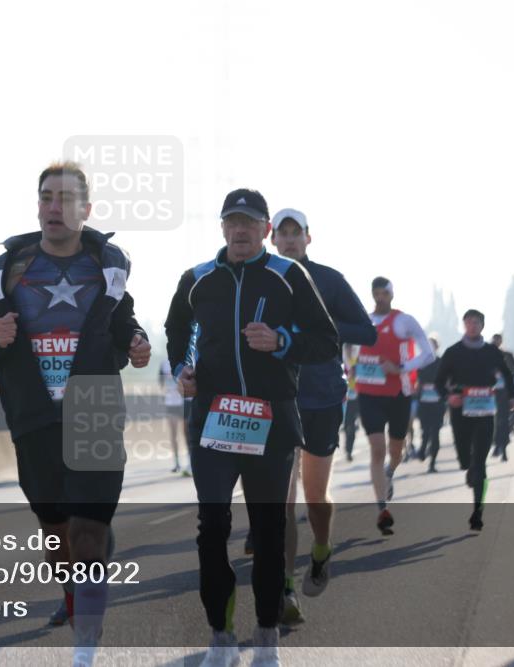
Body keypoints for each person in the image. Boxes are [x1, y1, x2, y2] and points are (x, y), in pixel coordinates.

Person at [0, 161, 150, 663]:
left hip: (94, 410)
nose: (54, 207)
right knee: (57, 532)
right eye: (47, 197)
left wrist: (136, 342)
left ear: (86, 210)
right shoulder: (4, 273)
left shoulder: (105, 268)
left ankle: (85, 645)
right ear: (37, 205)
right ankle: (72, 595)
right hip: (34, 417)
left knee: (88, 529)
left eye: (66, 199)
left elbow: (124, 322)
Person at [166, 189, 338, 666]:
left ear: (265, 230)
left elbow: (325, 340)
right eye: (232, 222)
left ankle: (266, 638)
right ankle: (220, 638)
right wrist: (184, 369)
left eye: (250, 223)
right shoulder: (197, 280)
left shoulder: (288, 276)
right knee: (212, 527)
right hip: (213, 421)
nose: (240, 231)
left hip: (271, 424)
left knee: (267, 529)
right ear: (222, 228)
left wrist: (281, 341)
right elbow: (177, 330)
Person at [267, 208, 376, 625]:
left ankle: (322, 547)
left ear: (309, 239)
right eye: (284, 233)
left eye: (298, 233)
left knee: (315, 497)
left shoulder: (329, 280)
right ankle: (286, 590)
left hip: (323, 398)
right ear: (272, 238)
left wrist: (316, 328)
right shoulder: (262, 280)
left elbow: (365, 332)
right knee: (282, 502)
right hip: (277, 399)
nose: (291, 240)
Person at [354, 277, 434, 535]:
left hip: (398, 393)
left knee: (395, 451)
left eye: (384, 293)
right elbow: (347, 348)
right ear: (371, 294)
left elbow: (427, 354)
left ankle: (390, 471)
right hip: (368, 394)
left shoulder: (404, 321)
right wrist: (350, 367)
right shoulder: (363, 322)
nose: (380, 298)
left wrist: (401, 367)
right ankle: (382, 509)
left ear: (391, 294)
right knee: (377, 448)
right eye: (376, 293)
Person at [435, 310, 514, 530]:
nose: (472, 326)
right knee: (466, 459)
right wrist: (448, 396)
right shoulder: (453, 352)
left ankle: (477, 512)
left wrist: (512, 397)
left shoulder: (492, 352)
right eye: (469, 322)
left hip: (485, 409)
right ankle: (470, 468)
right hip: (460, 408)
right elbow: (439, 381)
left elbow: (508, 374)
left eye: (476, 322)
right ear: (464, 325)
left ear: (482, 326)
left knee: (480, 461)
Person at [414, 336, 446, 473]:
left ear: (437, 347)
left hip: (438, 403)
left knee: (436, 432)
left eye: (433, 345)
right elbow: (416, 380)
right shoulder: (421, 363)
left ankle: (432, 462)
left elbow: (447, 380)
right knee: (425, 431)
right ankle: (422, 449)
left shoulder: (442, 362)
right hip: (424, 402)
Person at [490, 333, 514, 460]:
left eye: (498, 341)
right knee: (494, 421)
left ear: (501, 342)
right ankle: (497, 445)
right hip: (490, 393)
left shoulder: (508, 355)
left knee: (503, 420)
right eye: (494, 341)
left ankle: (503, 447)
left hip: (505, 393)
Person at [159, 358, 189, 474]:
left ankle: (189, 461)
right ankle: (176, 463)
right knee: (173, 433)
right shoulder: (164, 364)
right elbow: (161, 383)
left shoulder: (185, 360)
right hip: (171, 403)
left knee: (186, 432)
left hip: (184, 402)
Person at [342, 344, 360, 462]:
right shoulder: (342, 362)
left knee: (351, 427)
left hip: (356, 397)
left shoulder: (358, 360)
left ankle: (349, 450)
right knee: (347, 425)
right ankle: (346, 448)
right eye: (347, 348)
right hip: (344, 397)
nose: (349, 350)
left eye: (351, 348)